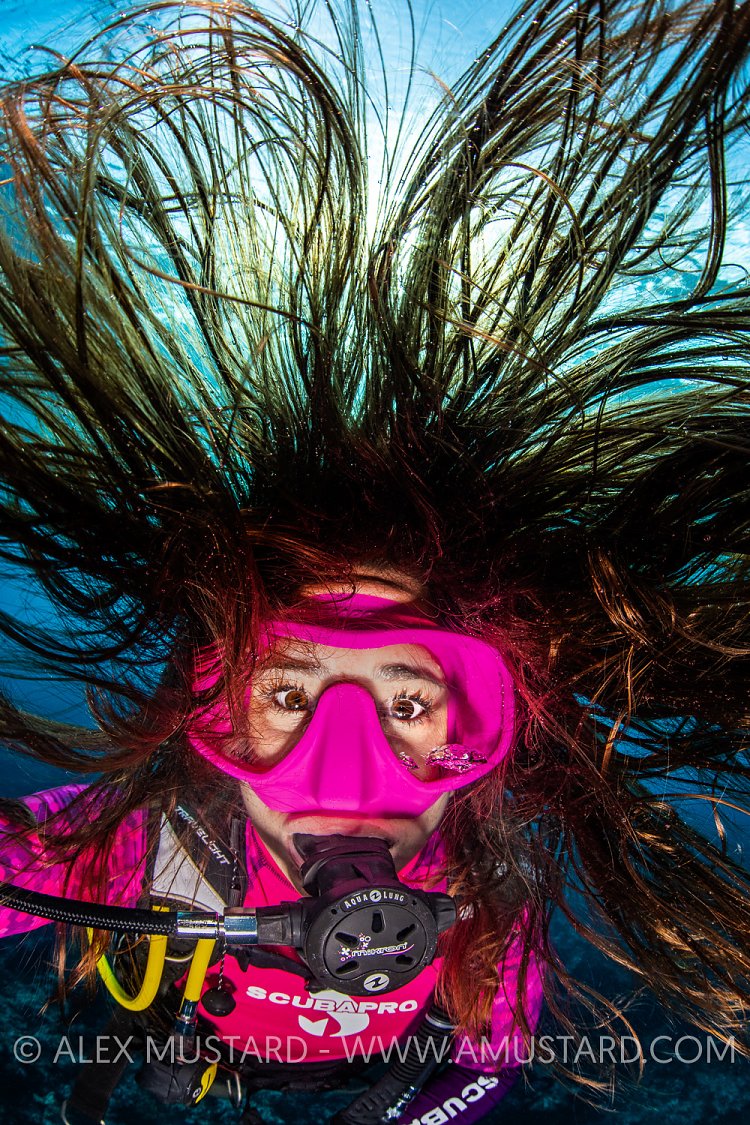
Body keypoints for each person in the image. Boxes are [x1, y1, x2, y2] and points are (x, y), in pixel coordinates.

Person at [0, 0, 749, 1121]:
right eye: (289, 690)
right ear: (199, 706)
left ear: (490, 732)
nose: (345, 779)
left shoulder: (494, 895)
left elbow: (485, 1060)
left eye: (409, 701)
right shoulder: (136, 855)